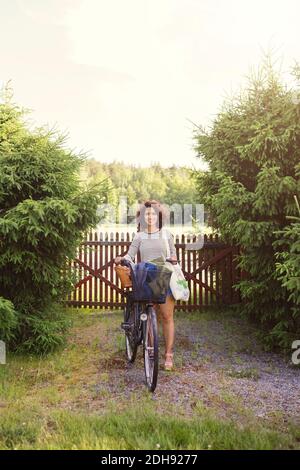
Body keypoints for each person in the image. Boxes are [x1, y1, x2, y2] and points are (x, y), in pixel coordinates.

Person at [114, 200, 177, 370]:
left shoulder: (166, 234)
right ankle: (149, 346)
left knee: (166, 316)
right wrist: (123, 259)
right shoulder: (139, 236)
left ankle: (168, 355)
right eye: (147, 214)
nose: (150, 216)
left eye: (153, 214)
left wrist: (173, 259)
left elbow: (173, 255)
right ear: (142, 217)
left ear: (158, 216)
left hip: (162, 276)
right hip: (144, 277)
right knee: (148, 314)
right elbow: (130, 255)